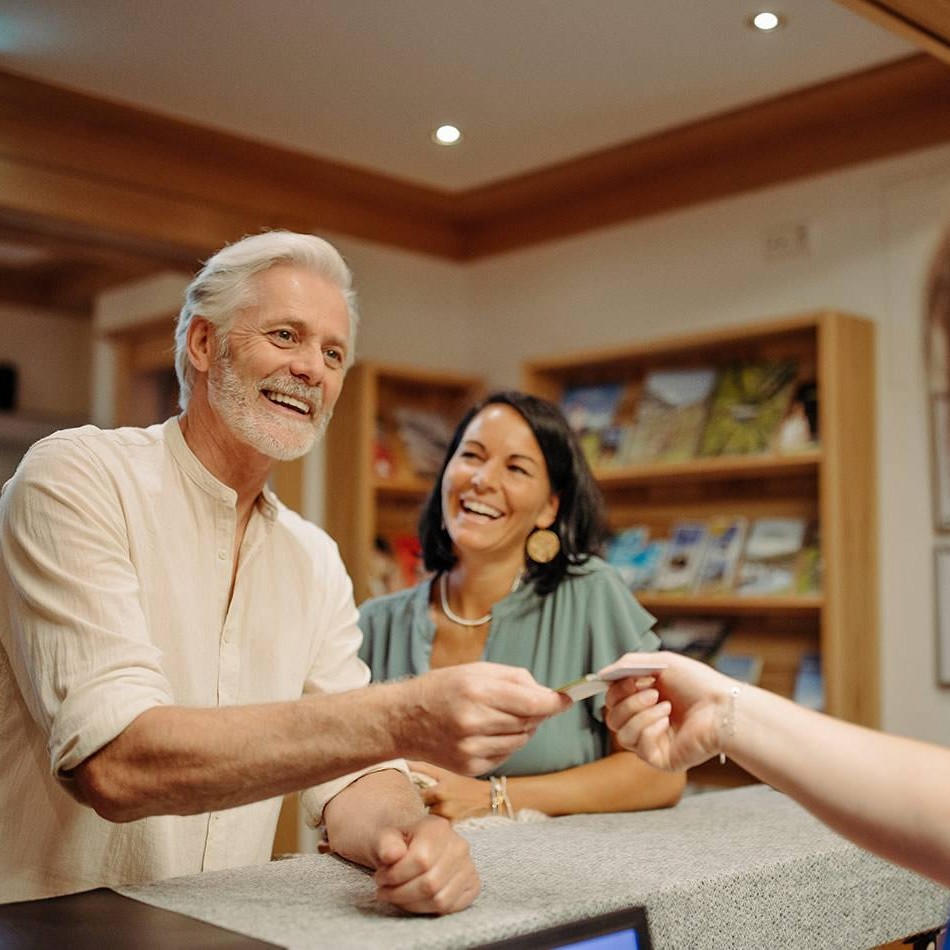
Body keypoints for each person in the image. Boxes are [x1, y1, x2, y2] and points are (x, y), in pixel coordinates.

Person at [0, 231, 569, 909]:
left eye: (333, 354)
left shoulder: (314, 559)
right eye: (285, 336)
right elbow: (117, 762)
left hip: (225, 929)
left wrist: (414, 837)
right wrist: (404, 715)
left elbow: (351, 780)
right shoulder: (76, 478)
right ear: (205, 345)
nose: (313, 369)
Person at [359, 391, 685, 821]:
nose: (483, 480)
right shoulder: (376, 623)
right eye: (472, 456)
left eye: (516, 468)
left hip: (556, 882)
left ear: (550, 507)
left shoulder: (589, 595)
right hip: (398, 877)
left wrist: (495, 798)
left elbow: (660, 771)